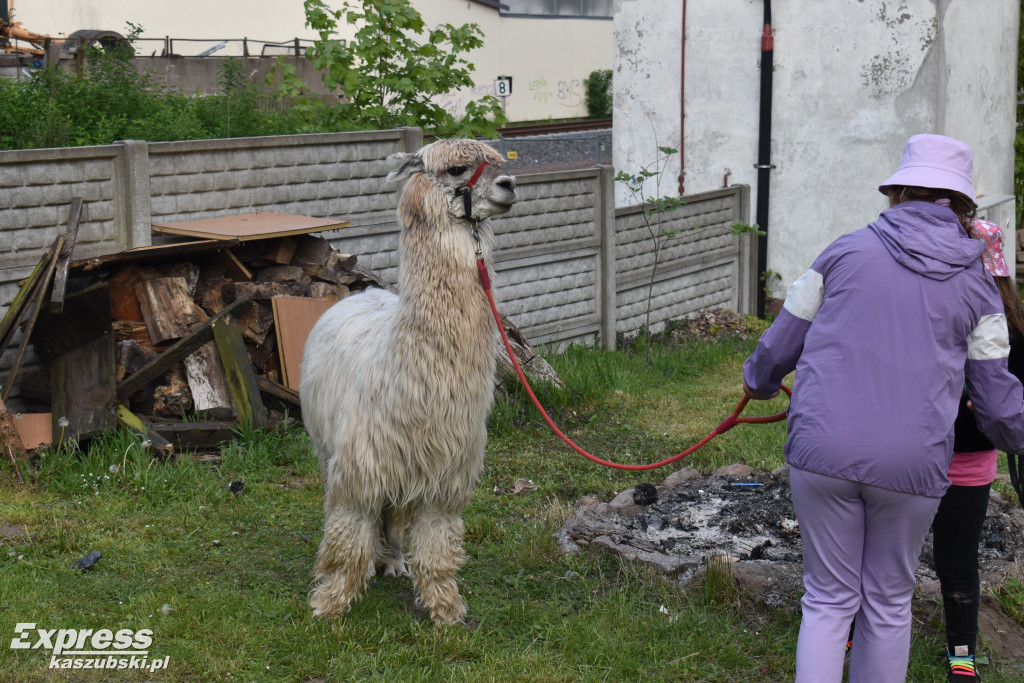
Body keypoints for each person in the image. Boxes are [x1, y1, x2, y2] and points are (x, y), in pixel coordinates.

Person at [742, 133, 1024, 683]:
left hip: (822, 451)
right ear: (963, 205)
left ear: (898, 193)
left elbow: (777, 347)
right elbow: (996, 404)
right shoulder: (979, 286)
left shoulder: (842, 252)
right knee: (889, 603)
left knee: (827, 600)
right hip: (912, 463)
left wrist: (760, 382)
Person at [931, 217, 1024, 682]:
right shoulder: (1013, 319)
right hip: (963, 458)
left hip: (927, 454)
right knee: (958, 558)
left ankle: (848, 630)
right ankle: (962, 656)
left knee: (890, 553)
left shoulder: (938, 306)